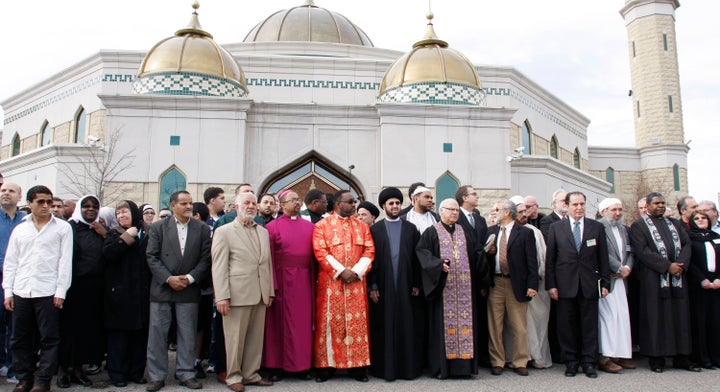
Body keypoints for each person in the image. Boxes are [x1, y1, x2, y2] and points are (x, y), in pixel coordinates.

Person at [3, 185, 72, 392]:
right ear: (30, 203)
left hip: (48, 291)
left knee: (49, 338)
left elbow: (64, 262)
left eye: (49, 202)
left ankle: (43, 381)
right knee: (20, 337)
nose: (46, 206)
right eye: (40, 202)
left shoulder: (62, 228)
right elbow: (11, 262)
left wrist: (61, 291)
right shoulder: (20, 229)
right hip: (22, 290)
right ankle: (24, 378)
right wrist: (8, 291)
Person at [145, 191, 211, 391]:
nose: (189, 207)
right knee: (157, 334)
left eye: (190, 203)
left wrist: (190, 278)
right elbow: (152, 257)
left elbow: (205, 259)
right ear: (173, 205)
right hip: (162, 288)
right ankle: (156, 376)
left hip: (188, 288)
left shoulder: (201, 229)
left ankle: (185, 373)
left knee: (188, 334)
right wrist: (169, 278)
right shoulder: (158, 227)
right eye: (184, 203)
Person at [629, 192, 699, 373]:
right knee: (656, 318)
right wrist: (667, 266)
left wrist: (679, 265)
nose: (660, 206)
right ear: (648, 205)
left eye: (662, 203)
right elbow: (642, 251)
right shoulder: (639, 226)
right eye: (656, 203)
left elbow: (686, 244)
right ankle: (657, 358)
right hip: (654, 279)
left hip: (677, 279)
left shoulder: (675, 224)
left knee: (680, 317)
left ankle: (682, 357)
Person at [212, 192, 274, 392]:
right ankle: (233, 376)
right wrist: (221, 296)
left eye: (253, 203)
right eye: (246, 203)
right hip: (236, 294)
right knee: (234, 339)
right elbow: (219, 266)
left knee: (255, 340)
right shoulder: (224, 231)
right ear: (236, 207)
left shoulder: (263, 231)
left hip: (260, 292)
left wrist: (270, 291)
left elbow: (266, 263)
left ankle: (251, 374)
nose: (251, 206)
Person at [545, 191, 610, 379]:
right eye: (575, 204)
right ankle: (571, 362)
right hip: (565, 285)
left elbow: (603, 258)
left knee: (589, 326)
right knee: (566, 327)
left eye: (582, 204)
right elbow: (551, 259)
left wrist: (605, 283)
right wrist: (552, 285)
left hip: (589, 285)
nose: (579, 208)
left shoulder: (595, 227)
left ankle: (589, 362)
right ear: (567, 206)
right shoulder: (557, 228)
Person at [312, 190, 374, 382]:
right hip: (332, 284)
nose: (354, 205)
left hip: (356, 283)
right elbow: (320, 251)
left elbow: (369, 250)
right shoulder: (322, 226)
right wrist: (341, 272)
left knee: (357, 325)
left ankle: (357, 368)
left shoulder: (362, 227)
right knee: (330, 325)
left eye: (354, 201)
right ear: (338, 204)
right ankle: (327, 367)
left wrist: (356, 271)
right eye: (350, 202)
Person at [416, 198, 482, 379]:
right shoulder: (431, 232)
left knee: (466, 325)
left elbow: (477, 254)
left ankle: (465, 368)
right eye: (450, 210)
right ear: (441, 211)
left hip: (465, 291)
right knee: (443, 327)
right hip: (443, 291)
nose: (454, 213)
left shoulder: (465, 232)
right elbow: (423, 254)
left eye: (456, 210)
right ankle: (442, 368)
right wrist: (438, 265)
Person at [367, 187, 424, 381]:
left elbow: (417, 259)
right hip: (383, 287)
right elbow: (371, 260)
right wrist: (373, 286)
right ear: (383, 206)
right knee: (384, 325)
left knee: (407, 325)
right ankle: (385, 369)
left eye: (397, 203)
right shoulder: (375, 229)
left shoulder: (410, 229)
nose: (395, 206)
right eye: (391, 203)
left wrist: (416, 283)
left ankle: (408, 369)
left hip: (407, 285)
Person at [262, 190, 316, 381]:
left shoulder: (310, 227)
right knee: (279, 326)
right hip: (281, 281)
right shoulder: (271, 227)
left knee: (302, 325)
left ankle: (302, 366)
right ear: (282, 204)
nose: (297, 203)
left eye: (298, 200)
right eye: (293, 200)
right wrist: (272, 285)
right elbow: (268, 259)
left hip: (303, 282)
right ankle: (277, 367)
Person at [58, 195, 108, 388]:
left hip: (95, 288)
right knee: (68, 331)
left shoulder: (100, 229)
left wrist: (104, 233)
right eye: (86, 206)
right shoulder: (70, 228)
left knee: (86, 331)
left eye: (94, 207)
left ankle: (78, 368)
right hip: (73, 287)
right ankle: (63, 369)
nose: (90, 210)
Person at [485, 200, 538, 377]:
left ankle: (520, 361)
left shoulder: (524, 233)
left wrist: (532, 285)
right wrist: (488, 253)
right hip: (496, 283)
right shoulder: (491, 232)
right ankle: (497, 361)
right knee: (495, 325)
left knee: (519, 326)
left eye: (497, 209)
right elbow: (482, 259)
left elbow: (532, 261)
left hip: (517, 284)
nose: (494, 213)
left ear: (507, 212)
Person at [102, 200, 151, 387]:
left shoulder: (146, 234)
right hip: (119, 296)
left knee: (139, 337)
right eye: (119, 213)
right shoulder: (113, 234)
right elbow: (109, 254)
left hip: (141, 295)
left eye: (125, 212)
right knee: (119, 338)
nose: (122, 215)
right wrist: (126, 238)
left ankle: (136, 372)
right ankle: (118, 373)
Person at [596, 198, 635, 374]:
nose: (618, 213)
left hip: (621, 280)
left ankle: (620, 354)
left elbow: (629, 251)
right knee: (608, 318)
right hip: (608, 280)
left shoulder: (622, 229)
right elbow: (602, 253)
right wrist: (618, 267)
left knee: (621, 317)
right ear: (604, 211)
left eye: (620, 209)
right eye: (614, 210)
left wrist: (627, 267)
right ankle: (605, 356)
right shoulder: (598, 228)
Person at [514, 199, 552, 369]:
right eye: (520, 211)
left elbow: (543, 260)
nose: (524, 215)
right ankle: (521, 356)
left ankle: (536, 356)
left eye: (525, 211)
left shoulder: (534, 232)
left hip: (535, 286)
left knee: (537, 323)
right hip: (515, 287)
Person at [686, 211, 720, 369]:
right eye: (697, 218)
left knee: (716, 321)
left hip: (717, 284)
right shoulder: (690, 238)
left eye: (703, 218)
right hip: (699, 286)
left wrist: (718, 278)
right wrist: (702, 279)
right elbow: (690, 262)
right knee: (700, 321)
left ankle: (716, 357)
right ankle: (702, 358)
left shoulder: (715, 236)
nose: (701, 220)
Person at [0, 183, 25, 382]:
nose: (6, 193)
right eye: (3, 191)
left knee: (15, 326)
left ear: (19, 197)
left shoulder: (25, 221)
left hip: (19, 280)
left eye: (11, 191)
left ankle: (12, 366)